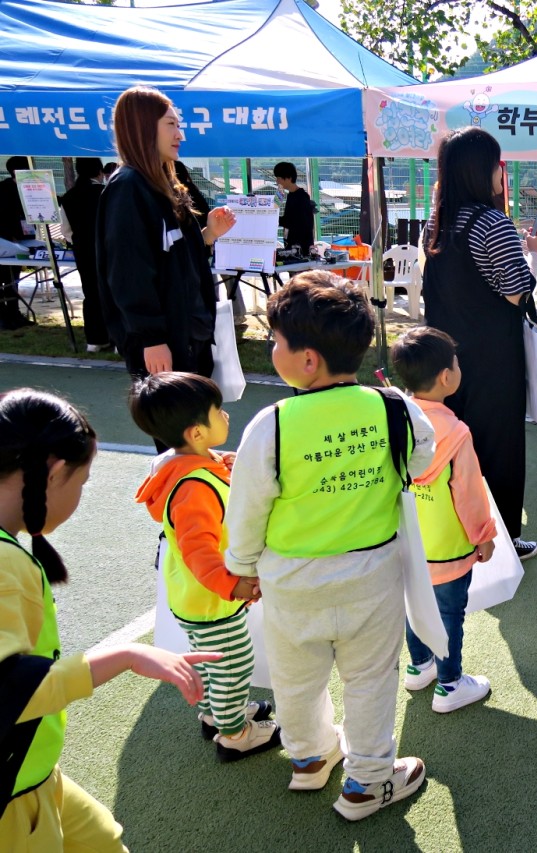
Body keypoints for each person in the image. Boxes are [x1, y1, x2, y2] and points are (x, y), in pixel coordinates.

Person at [223, 271, 436, 821]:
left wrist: (241, 568)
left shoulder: (271, 424)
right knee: (370, 680)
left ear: (308, 359)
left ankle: (309, 759)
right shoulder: (394, 408)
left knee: (297, 679)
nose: (272, 349)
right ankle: (367, 781)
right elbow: (421, 460)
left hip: (291, 582)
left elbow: (246, 511)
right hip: (372, 575)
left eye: (275, 341)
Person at [0, 388, 217, 851]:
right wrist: (124, 655)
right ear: (55, 470)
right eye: (82, 482)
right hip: (12, 797)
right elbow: (8, 690)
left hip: (35, 773)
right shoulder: (4, 565)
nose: (80, 495)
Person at [128, 372, 280, 761]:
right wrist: (234, 585)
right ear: (196, 432)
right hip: (210, 600)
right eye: (219, 411)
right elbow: (199, 552)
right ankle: (235, 734)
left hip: (193, 597)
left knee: (216, 661)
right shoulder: (194, 487)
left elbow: (214, 471)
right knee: (233, 663)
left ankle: (216, 713)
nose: (227, 417)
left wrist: (226, 463)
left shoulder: (188, 463)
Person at [420, 127, 537, 560]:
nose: (500, 173)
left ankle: (456, 532)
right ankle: (503, 540)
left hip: (443, 358)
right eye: (496, 164)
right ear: (481, 170)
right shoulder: (492, 222)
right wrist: (533, 254)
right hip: (492, 358)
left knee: (453, 445)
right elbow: (516, 291)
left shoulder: (435, 222)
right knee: (498, 447)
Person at [96, 86, 237, 384]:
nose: (180, 135)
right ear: (143, 128)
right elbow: (128, 271)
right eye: (171, 124)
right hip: (164, 343)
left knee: (201, 425)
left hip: (189, 333)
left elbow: (174, 257)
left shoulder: (163, 183)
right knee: (178, 427)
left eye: (179, 124)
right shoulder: (128, 188)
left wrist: (208, 235)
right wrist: (151, 338)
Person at [391, 326, 497, 711]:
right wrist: (483, 535)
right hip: (448, 547)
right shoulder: (456, 432)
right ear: (445, 376)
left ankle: (420, 667)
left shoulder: (393, 421)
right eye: (456, 362)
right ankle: (450, 684)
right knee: (450, 613)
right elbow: (469, 494)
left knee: (412, 604)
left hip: (404, 544)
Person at [58, 158, 110, 351]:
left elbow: (66, 230)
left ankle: (94, 341)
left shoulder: (69, 196)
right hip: (109, 251)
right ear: (99, 171)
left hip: (83, 251)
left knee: (91, 294)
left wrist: (78, 242)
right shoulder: (106, 193)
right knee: (112, 294)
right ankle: (115, 340)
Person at [0, 156, 34, 330]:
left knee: (14, 280)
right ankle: (4, 317)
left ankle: (14, 313)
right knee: (4, 279)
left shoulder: (28, 188)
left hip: (22, 241)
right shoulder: (4, 189)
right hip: (5, 242)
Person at [273, 161, 315, 254]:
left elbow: (297, 223)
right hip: (291, 245)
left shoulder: (301, 197)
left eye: (279, 178)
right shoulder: (291, 195)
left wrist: (273, 218)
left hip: (301, 248)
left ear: (289, 178)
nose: (277, 181)